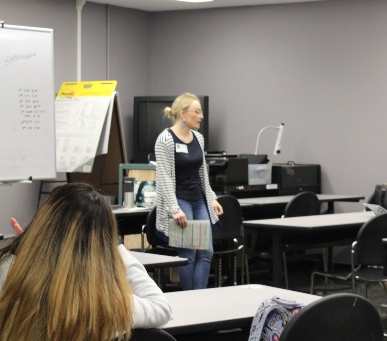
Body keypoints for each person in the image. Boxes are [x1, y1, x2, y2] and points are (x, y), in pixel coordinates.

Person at [0, 183, 171, 341]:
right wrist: (115, 249)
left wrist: (29, 252)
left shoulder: (11, 277)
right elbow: (161, 308)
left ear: (43, 225)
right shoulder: (105, 306)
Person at [155, 92, 223, 290]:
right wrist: (175, 209)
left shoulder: (198, 139)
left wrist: (212, 198)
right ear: (183, 114)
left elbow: (203, 173)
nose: (201, 116)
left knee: (206, 252)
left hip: (198, 199)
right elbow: (164, 177)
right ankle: (189, 300)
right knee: (188, 254)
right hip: (180, 201)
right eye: (197, 112)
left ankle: (199, 298)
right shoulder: (165, 140)